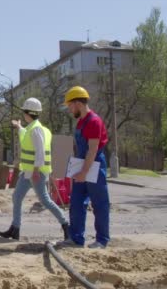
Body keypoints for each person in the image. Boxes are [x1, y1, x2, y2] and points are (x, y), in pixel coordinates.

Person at [0, 98, 69, 241]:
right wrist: (19, 127)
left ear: (27, 113)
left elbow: (40, 151)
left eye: (24, 112)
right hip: (28, 172)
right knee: (16, 197)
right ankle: (15, 229)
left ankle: (66, 224)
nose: (23, 115)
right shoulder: (33, 128)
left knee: (45, 201)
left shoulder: (36, 129)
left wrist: (36, 170)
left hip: (37, 172)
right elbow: (27, 137)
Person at [60, 86, 110, 249]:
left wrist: (83, 172)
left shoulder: (94, 121)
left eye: (70, 105)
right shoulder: (81, 121)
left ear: (78, 104)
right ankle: (76, 238)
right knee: (76, 202)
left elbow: (93, 149)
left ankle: (102, 240)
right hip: (82, 164)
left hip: (94, 166)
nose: (69, 109)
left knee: (99, 203)